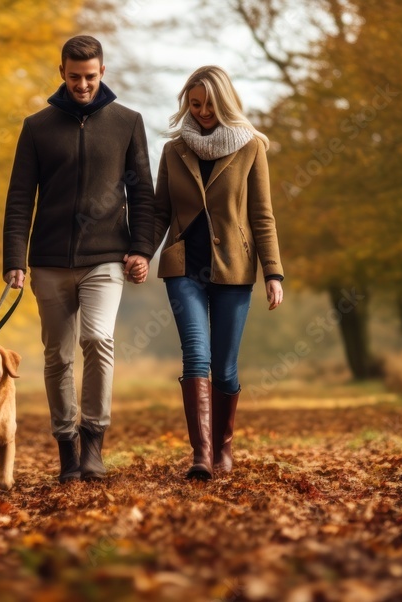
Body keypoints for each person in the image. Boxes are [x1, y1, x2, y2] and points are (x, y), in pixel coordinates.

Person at [2, 35, 155, 483]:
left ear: (102, 72)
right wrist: (15, 258)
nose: (82, 85)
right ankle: (67, 447)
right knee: (57, 356)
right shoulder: (37, 127)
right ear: (62, 72)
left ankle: (93, 442)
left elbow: (142, 192)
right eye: (74, 77)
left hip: (106, 257)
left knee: (97, 340)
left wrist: (141, 248)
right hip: (48, 260)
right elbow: (18, 199)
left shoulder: (127, 122)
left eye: (90, 77)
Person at [152, 65, 285, 481]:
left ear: (224, 102)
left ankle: (223, 447)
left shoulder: (251, 147)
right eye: (195, 104)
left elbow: (262, 215)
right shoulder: (174, 150)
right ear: (186, 104)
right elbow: (159, 212)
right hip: (183, 267)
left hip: (234, 268)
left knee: (224, 367)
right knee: (196, 354)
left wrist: (273, 273)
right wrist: (139, 251)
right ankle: (202, 456)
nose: (203, 112)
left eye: (210, 104)